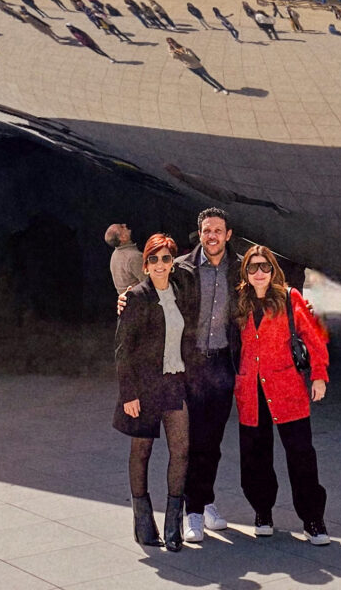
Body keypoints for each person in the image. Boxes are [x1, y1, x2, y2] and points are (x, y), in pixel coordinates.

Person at [234, 245, 331, 545]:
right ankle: (262, 511)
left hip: (287, 387)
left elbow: (314, 336)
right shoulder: (239, 303)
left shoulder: (290, 298)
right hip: (251, 390)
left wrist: (319, 375)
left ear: (273, 270)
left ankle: (312, 519)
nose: (259, 273)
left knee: (301, 455)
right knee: (255, 457)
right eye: (252, 267)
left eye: (264, 266)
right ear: (245, 273)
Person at [113, 234, 197, 552]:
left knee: (181, 450)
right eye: (154, 259)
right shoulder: (136, 297)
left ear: (172, 262)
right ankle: (143, 522)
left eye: (166, 258)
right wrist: (128, 394)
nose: (160, 264)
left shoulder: (180, 293)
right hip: (144, 386)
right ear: (145, 264)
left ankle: (173, 525)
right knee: (142, 451)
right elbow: (123, 350)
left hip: (174, 383)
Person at [174, 208, 243, 542]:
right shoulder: (182, 268)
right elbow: (155, 296)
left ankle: (206, 500)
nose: (212, 236)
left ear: (227, 235)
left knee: (213, 440)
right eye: (206, 230)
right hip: (192, 365)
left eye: (218, 230)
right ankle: (193, 511)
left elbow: (268, 291)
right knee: (192, 440)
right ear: (199, 234)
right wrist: (127, 298)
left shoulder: (240, 268)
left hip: (223, 364)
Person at [107, 222, 144, 293]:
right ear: (123, 238)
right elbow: (152, 282)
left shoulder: (115, 254)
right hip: (139, 298)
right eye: (122, 227)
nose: (125, 225)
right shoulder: (133, 257)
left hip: (128, 298)